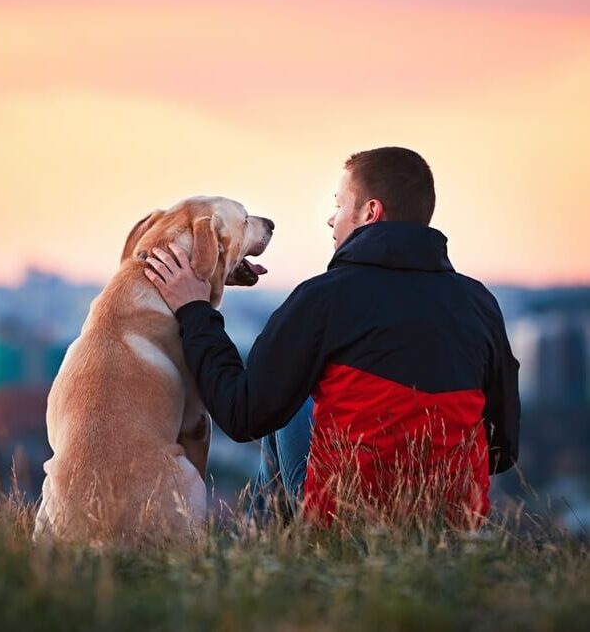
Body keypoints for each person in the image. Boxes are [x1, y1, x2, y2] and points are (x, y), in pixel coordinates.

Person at [143, 147, 520, 526]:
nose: (330, 219)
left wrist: (194, 311)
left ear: (370, 213)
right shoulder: (479, 304)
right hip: (454, 522)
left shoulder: (323, 298)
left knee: (285, 407)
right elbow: (502, 449)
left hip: (348, 519)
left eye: (339, 205)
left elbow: (241, 414)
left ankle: (264, 552)